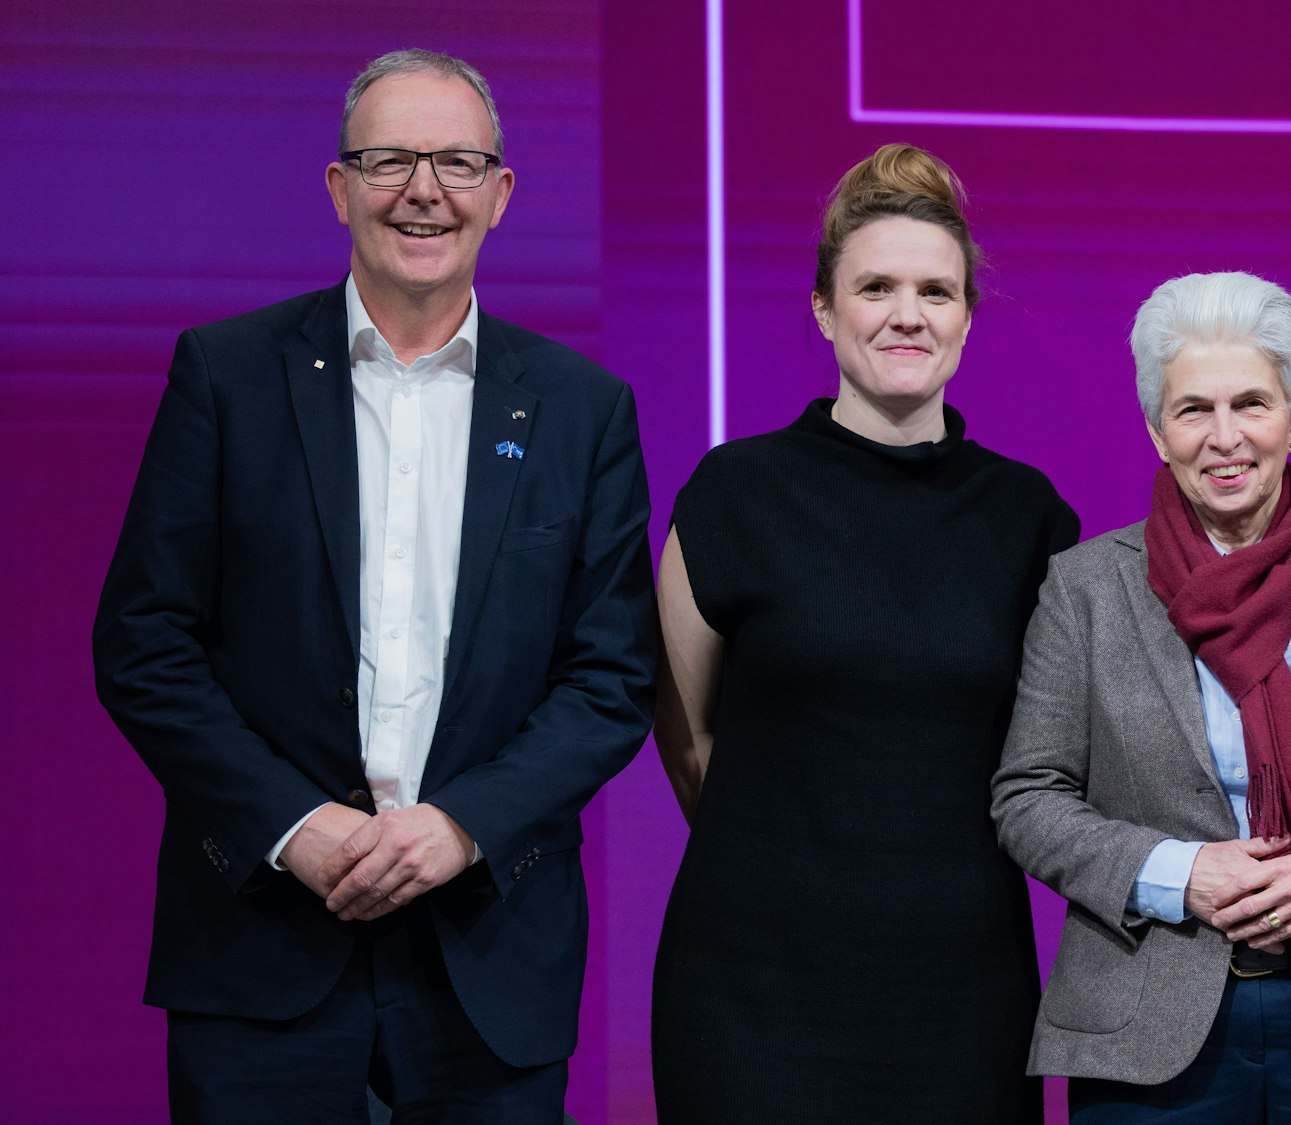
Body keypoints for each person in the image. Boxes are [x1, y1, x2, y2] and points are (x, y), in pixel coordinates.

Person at [92, 49, 658, 1121]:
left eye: (456, 161)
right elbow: (144, 641)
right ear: (338, 187)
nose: (422, 190)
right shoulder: (226, 374)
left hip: (490, 949)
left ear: (501, 194)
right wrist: (294, 824)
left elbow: (609, 676)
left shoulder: (584, 410)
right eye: (388, 158)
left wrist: (461, 824)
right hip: (261, 941)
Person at [651, 143, 1079, 1123]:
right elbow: (683, 734)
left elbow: (1054, 760)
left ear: (966, 315)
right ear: (822, 307)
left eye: (935, 290)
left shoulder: (1028, 518)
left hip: (961, 998)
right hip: (752, 991)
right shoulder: (735, 493)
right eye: (875, 286)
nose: (906, 314)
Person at [992, 271, 1291, 1124]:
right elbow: (1028, 797)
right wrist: (1180, 873)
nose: (1225, 437)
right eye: (1192, 410)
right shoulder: (1084, 589)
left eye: (1252, 403)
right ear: (1156, 432)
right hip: (1147, 1030)